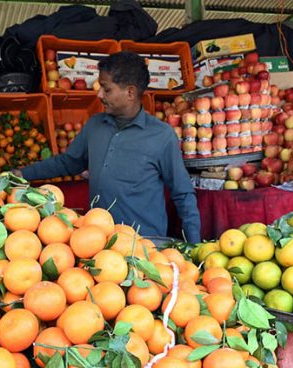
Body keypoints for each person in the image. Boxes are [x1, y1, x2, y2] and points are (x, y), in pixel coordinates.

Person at [15, 51, 201, 243]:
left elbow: (183, 193)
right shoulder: (95, 125)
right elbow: (69, 162)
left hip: (144, 244)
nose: (99, 94)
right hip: (98, 242)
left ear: (130, 92)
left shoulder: (161, 135)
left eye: (106, 89)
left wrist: (194, 246)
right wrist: (23, 174)